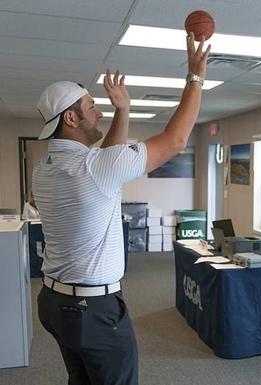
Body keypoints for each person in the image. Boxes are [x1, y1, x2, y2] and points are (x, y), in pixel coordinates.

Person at [32, 33, 210, 385]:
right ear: (71, 118)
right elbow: (175, 140)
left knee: (81, 379)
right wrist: (195, 77)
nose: (98, 111)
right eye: (90, 106)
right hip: (92, 311)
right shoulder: (93, 169)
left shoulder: (46, 168)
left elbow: (106, 162)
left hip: (54, 303)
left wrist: (123, 110)